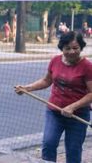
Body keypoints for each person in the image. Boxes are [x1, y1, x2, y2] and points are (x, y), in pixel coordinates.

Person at [15, 31, 92, 163]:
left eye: (75, 48)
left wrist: (72, 107)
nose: (72, 52)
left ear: (81, 47)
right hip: (54, 112)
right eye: (67, 48)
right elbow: (47, 81)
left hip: (78, 115)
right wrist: (27, 88)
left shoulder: (87, 67)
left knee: (73, 150)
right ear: (62, 48)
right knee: (49, 144)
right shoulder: (55, 61)